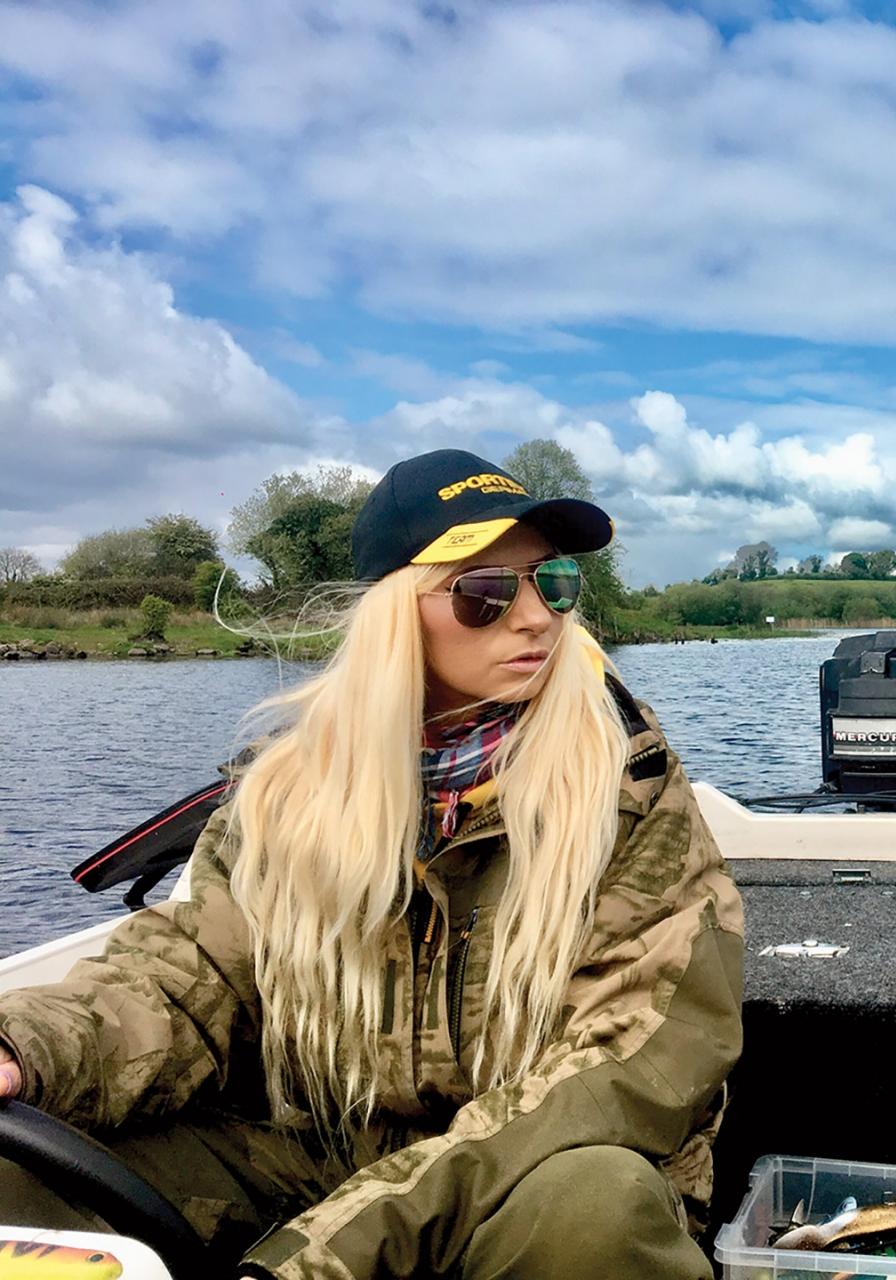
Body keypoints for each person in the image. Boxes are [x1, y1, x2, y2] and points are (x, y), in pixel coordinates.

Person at [0, 449, 744, 1279]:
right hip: (317, 1149)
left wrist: (332, 1246)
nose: (536, 617)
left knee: (593, 1205)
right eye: (485, 592)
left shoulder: (630, 789)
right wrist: (23, 1046)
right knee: (18, 1166)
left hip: (528, 1169)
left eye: (554, 582)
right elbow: (186, 980)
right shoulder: (286, 793)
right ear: (395, 616)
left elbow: (627, 1066)